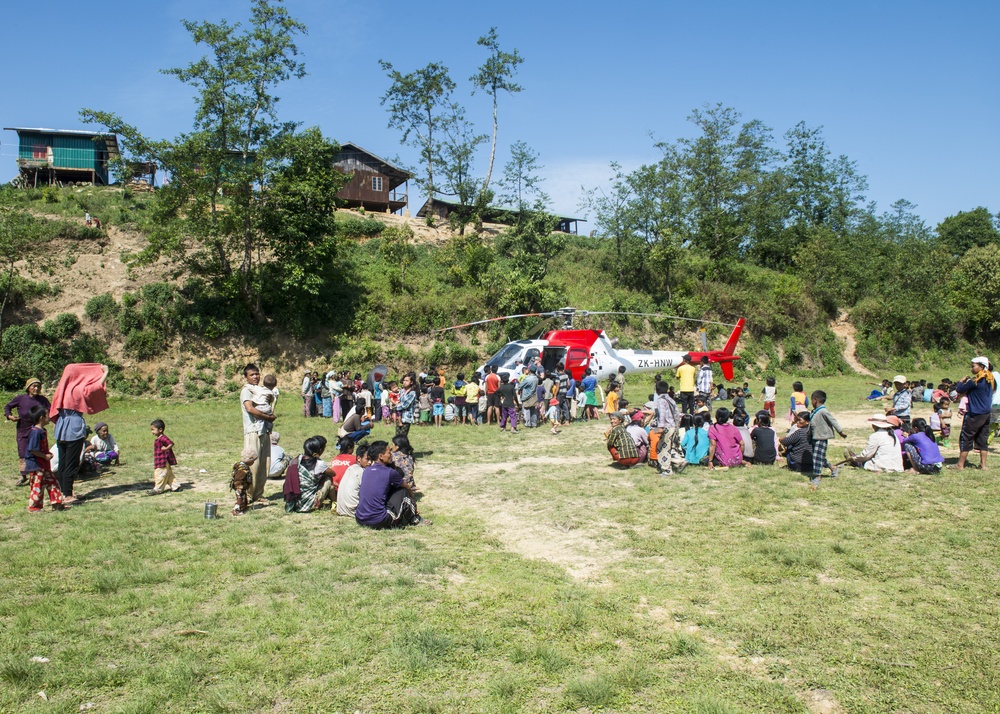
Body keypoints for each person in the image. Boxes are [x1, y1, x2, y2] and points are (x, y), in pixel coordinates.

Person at [50, 363, 109, 504]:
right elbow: (93, 389)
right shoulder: (76, 389)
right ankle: (68, 495)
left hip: (61, 426)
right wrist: (105, 373)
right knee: (72, 462)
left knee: (64, 462)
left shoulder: (61, 389)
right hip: (73, 428)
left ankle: (63, 492)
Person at [355, 441, 426, 529]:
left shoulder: (367, 470)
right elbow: (407, 487)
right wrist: (414, 503)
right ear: (381, 456)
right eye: (389, 452)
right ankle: (415, 519)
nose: (391, 454)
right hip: (379, 520)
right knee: (403, 491)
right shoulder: (389, 472)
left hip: (360, 518)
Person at [6, 377, 52, 487]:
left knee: (38, 450)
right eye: (34, 386)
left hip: (37, 430)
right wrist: (9, 416)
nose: (36, 388)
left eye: (38, 386)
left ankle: (38, 472)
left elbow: (51, 410)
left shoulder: (43, 400)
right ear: (28, 388)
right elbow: (7, 406)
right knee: (23, 452)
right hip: (23, 429)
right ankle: (23, 476)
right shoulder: (21, 398)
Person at [240, 364, 274, 506]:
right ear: (246, 377)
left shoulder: (260, 390)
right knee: (253, 463)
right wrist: (267, 417)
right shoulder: (246, 391)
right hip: (253, 430)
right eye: (252, 375)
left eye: (257, 374)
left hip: (264, 430)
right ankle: (248, 493)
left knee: (264, 463)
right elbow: (250, 409)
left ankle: (258, 493)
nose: (255, 377)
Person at [953, 356, 996, 470]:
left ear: (981, 367)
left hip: (974, 413)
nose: (971, 368)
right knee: (983, 438)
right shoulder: (991, 379)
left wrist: (961, 382)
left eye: (973, 366)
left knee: (966, 437)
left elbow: (960, 389)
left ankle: (960, 464)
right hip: (986, 413)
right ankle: (983, 465)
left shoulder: (974, 381)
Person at [24, 406, 65, 512]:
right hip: (37, 464)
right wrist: (45, 456)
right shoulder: (35, 432)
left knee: (52, 482)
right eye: (48, 415)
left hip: (44, 464)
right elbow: (33, 450)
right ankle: (34, 507)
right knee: (38, 485)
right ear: (41, 418)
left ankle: (57, 504)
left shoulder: (42, 431)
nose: (50, 417)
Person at [284, 435, 337, 513]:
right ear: (319, 451)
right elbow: (333, 473)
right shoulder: (319, 464)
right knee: (328, 479)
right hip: (311, 504)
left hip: (296, 501)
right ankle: (335, 502)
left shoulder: (296, 460)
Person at [808, 390, 846, 486]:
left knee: (817, 457)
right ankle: (833, 468)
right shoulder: (814, 411)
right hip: (814, 437)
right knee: (819, 457)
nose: (811, 402)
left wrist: (840, 431)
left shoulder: (823, 411)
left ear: (815, 400)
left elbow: (833, 421)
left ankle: (817, 476)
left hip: (821, 437)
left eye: (812, 400)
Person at [334, 441, 370, 518]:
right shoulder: (362, 472)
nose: (370, 462)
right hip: (353, 511)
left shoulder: (350, 468)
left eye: (371, 460)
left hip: (341, 509)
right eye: (367, 459)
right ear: (359, 458)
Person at [148, 418, 179, 495]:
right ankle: (175, 486)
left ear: (160, 430)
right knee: (168, 474)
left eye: (153, 430)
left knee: (159, 475)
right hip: (162, 461)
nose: (152, 432)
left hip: (162, 461)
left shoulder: (162, 438)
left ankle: (158, 489)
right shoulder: (159, 438)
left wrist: (165, 448)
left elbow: (171, 443)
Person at [230, 448, 256, 516]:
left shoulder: (244, 467)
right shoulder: (242, 470)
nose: (253, 462)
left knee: (244, 497)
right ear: (249, 460)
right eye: (253, 461)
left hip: (243, 486)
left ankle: (243, 506)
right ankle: (237, 510)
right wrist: (239, 487)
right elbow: (238, 479)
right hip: (239, 487)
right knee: (240, 498)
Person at [396, 373, 418, 437]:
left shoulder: (412, 393)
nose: (404, 382)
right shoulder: (401, 391)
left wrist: (397, 406)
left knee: (402, 438)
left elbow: (405, 405)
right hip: (399, 417)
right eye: (404, 380)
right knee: (397, 437)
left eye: (407, 381)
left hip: (406, 418)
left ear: (411, 382)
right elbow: (397, 400)